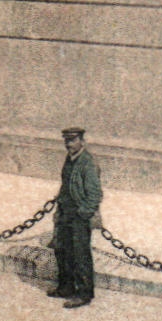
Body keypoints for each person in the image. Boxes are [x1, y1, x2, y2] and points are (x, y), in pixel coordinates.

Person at [50, 127, 102, 308]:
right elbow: (65, 186)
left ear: (82, 141)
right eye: (66, 141)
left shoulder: (88, 162)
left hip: (79, 215)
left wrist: (83, 214)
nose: (68, 145)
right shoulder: (69, 159)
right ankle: (66, 287)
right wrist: (59, 211)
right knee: (62, 251)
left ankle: (84, 293)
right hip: (65, 213)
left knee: (80, 255)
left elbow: (95, 194)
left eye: (72, 141)